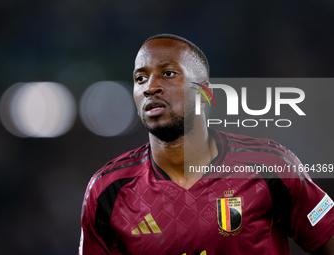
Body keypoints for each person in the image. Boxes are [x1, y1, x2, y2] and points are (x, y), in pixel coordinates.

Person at [79, 34, 334, 255]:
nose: (150, 87)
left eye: (168, 74)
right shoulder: (107, 191)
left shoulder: (270, 165)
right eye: (140, 78)